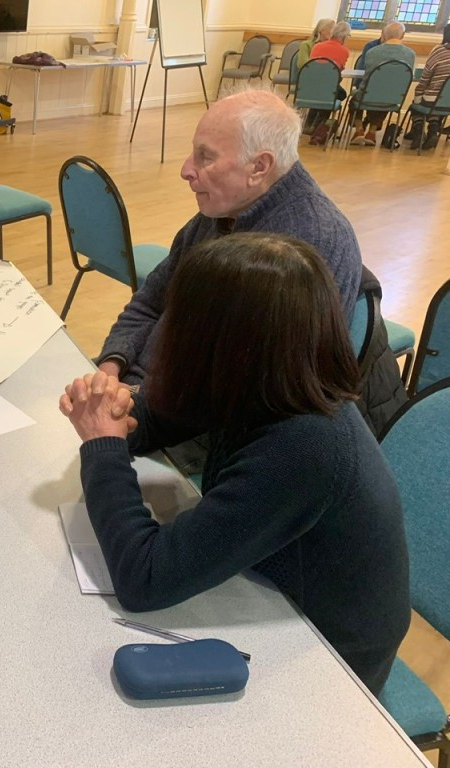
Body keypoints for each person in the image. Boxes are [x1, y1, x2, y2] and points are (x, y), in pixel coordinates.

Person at [62, 232, 410, 696]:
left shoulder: (305, 445)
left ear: (224, 343)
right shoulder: (272, 372)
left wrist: (104, 445)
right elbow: (174, 410)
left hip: (329, 660)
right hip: (273, 595)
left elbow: (143, 580)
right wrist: (118, 414)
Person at [95, 88, 406, 435]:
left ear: (259, 167)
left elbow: (249, 396)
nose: (186, 170)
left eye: (205, 157)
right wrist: (110, 367)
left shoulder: (310, 248)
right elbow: (150, 302)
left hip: (192, 428)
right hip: (140, 396)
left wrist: (128, 408)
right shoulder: (223, 209)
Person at [350, 21, 416, 146]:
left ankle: (359, 129)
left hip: (367, 95)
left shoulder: (372, 52)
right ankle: (372, 132)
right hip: (393, 98)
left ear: (384, 34)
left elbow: (366, 74)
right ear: (403, 35)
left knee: (354, 100)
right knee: (386, 96)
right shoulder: (411, 54)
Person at [306, 20, 353, 144]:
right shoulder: (344, 51)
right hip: (328, 87)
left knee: (325, 93)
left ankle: (312, 122)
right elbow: (337, 75)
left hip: (310, 87)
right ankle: (321, 124)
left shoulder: (317, 46)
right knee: (339, 94)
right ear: (344, 36)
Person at [404, 25, 450, 150]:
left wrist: (418, 94)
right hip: (447, 102)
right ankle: (433, 130)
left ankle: (418, 131)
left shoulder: (439, 51)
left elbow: (425, 78)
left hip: (432, 97)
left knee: (417, 105)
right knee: (434, 107)